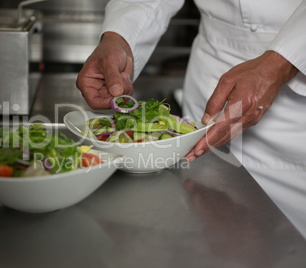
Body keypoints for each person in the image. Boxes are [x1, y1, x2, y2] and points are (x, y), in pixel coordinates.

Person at [76, 0, 306, 238]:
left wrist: (279, 65)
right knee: (203, 233)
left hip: (297, 102)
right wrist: (119, 37)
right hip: (212, 76)